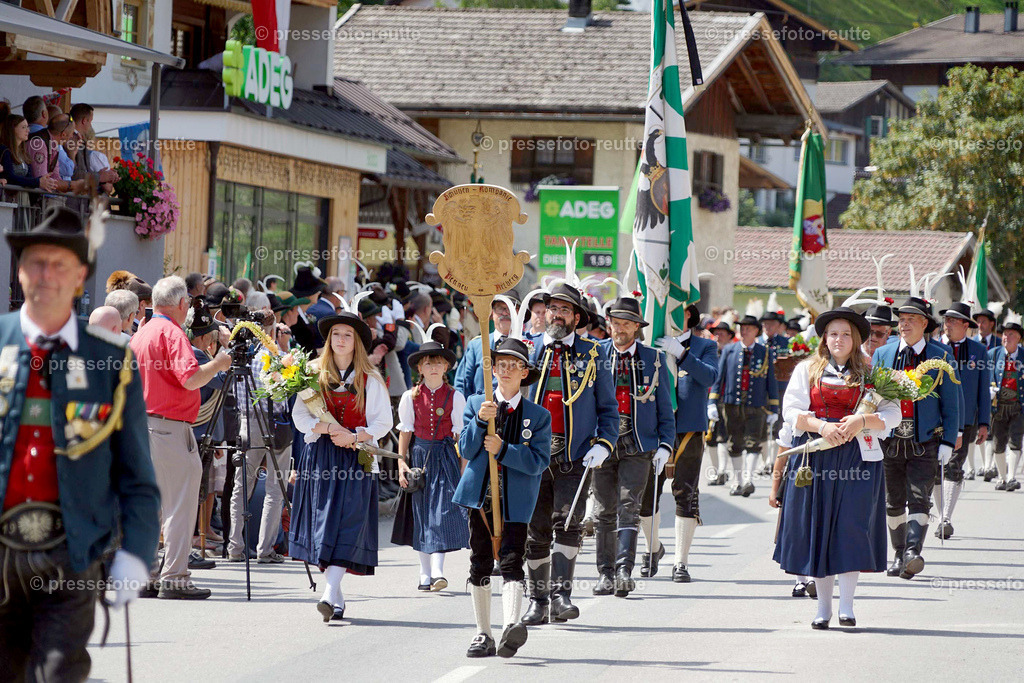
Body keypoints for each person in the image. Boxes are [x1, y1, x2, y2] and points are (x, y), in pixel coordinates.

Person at [0, 206, 160, 679]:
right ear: (19, 269)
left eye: (60, 264)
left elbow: (136, 472)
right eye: (35, 262)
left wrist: (137, 549)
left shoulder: (110, 362)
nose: (46, 275)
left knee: (58, 672)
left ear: (80, 276)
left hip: (70, 551)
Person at [771, 307, 901, 629]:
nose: (839, 339)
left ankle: (847, 606)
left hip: (858, 460)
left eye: (845, 334)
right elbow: (791, 410)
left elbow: (893, 415)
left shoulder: (873, 372)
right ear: (824, 339)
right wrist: (821, 426)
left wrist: (862, 420)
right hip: (817, 458)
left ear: (856, 339)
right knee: (819, 529)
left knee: (850, 529)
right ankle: (823, 608)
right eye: (833, 334)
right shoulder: (807, 370)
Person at [289, 311, 394, 622]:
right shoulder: (310, 374)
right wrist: (327, 430)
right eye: (336, 334)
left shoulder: (370, 378)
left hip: (356, 457)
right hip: (321, 457)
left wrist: (355, 435)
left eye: (348, 334)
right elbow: (300, 416)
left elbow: (383, 421)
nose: (341, 340)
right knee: (325, 524)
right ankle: (335, 595)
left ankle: (327, 594)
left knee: (347, 523)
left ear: (357, 342)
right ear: (329, 340)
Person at [522, 283, 618, 625]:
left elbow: (609, 410)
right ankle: (537, 601)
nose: (557, 314)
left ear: (577, 317)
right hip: (531, 456)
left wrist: (603, 445)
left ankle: (561, 595)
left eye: (564, 309)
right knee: (535, 529)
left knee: (568, 521)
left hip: (575, 455)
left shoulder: (595, 354)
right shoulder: (527, 350)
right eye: (552, 308)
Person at [131, 276, 231, 598]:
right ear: (181, 304)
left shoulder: (142, 332)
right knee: (180, 504)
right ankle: (175, 577)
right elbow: (189, 379)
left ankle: (147, 574)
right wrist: (218, 363)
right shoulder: (172, 333)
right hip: (169, 427)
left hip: (142, 426)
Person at [454, 337, 551, 658]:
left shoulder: (538, 416)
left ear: (525, 373)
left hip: (515, 501)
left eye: (515, 365)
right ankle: (483, 633)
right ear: (492, 369)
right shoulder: (475, 404)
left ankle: (512, 625)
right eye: (502, 365)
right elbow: (466, 449)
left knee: (511, 560)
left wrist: (505, 450)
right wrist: (481, 421)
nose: (507, 370)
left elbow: (539, 461)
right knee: (479, 561)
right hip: (480, 499)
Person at [871, 297, 960, 580]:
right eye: (901, 319)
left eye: (911, 319)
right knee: (892, 501)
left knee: (919, 498)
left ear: (925, 323)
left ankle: (912, 551)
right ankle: (898, 554)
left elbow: (952, 401)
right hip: (890, 439)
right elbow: (871, 398)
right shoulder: (883, 354)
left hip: (925, 439)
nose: (905, 323)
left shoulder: (941, 356)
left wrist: (948, 440)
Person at [591, 297, 674, 597]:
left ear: (637, 327)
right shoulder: (595, 355)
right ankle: (605, 573)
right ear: (609, 323)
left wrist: (665, 445)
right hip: (603, 444)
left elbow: (666, 407)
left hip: (638, 445)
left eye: (627, 324)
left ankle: (624, 570)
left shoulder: (654, 359)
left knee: (629, 506)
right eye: (616, 322)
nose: (620, 329)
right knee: (603, 510)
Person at [642, 303, 720, 582]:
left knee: (685, 492)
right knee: (646, 492)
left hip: (688, 427)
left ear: (689, 316)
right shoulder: (651, 346)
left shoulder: (704, 346)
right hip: (654, 428)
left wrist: (682, 354)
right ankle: (653, 549)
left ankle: (680, 562)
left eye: (679, 309)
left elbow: (710, 376)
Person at [395, 341, 469, 590]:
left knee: (442, 512)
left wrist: (463, 467)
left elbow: (461, 434)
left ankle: (437, 571)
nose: (434, 367)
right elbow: (405, 432)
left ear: (446, 366)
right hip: (419, 458)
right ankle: (424, 573)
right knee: (422, 514)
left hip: (446, 457)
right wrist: (401, 462)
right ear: (420, 368)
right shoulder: (410, 396)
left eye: (438, 362)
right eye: (428, 363)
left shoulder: (455, 396)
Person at [935, 302, 990, 538]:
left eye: (953, 321)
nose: (947, 325)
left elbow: (983, 390)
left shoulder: (979, 351)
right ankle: (939, 515)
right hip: (935, 419)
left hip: (966, 419)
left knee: (954, 466)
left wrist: (985, 423)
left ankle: (946, 517)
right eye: (946, 320)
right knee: (935, 467)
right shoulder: (934, 348)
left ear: (966, 326)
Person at [711, 314, 779, 497]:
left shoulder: (764, 351)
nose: (744, 330)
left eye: (748, 328)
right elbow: (720, 378)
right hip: (732, 405)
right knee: (735, 444)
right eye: (742, 327)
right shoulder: (729, 350)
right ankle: (738, 481)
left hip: (756, 405)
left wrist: (774, 408)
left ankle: (748, 480)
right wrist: (712, 402)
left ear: (756, 331)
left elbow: (770, 382)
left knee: (753, 443)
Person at [455, 293, 522, 398]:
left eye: (510, 308)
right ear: (492, 312)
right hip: (480, 411)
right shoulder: (476, 345)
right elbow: (462, 384)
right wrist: (470, 411)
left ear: (518, 313)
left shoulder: (527, 345)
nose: (505, 312)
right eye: (500, 308)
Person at [987, 316, 1024, 492]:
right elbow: (985, 376)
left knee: (1015, 441)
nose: (1005, 337)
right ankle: (1001, 478)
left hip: (1018, 406)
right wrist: (989, 389)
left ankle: (1011, 478)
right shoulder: (993, 354)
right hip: (998, 406)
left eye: (1010, 334)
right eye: (1004, 334)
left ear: (1018, 338)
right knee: (998, 443)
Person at [27, 113, 86, 194]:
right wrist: (73, 185)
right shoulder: (39, 143)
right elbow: (43, 181)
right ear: (63, 135)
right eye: (72, 132)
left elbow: (55, 177)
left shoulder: (53, 144)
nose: (72, 136)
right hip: (33, 200)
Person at [1, 114, 59, 191]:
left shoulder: (23, 153)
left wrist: (42, 180)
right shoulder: (5, 150)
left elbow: (29, 177)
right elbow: (10, 177)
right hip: (8, 198)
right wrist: (37, 182)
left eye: (27, 127)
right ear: (12, 129)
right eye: (23, 127)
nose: (28, 130)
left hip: (23, 197)